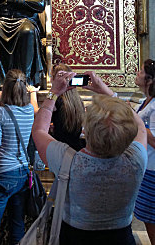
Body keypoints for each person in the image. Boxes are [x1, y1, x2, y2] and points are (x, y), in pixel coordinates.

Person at [32, 70, 147, 245]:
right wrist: (107, 91)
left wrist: (53, 93)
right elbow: (138, 124)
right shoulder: (136, 160)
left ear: (88, 130)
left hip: (75, 238)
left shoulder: (68, 161)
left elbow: (39, 130)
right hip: (120, 239)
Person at [0, 69, 34, 245]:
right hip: (23, 172)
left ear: (5, 89)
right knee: (17, 227)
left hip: (3, 174)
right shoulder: (29, 111)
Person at [133, 59, 155, 244]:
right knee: (148, 217)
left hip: (153, 170)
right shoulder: (146, 101)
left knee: (151, 217)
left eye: (140, 71)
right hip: (146, 167)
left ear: (149, 79)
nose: (137, 73)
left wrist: (136, 122)